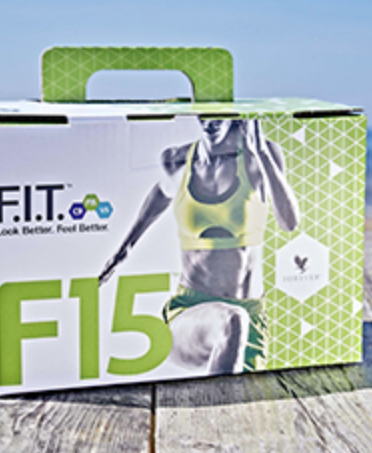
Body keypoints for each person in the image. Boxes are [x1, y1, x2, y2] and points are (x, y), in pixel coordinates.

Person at [99, 118, 299, 375]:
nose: (208, 121)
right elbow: (160, 194)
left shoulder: (261, 155)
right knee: (232, 321)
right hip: (190, 312)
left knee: (239, 334)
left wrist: (260, 152)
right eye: (202, 112)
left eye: (216, 113)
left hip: (251, 315)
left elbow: (289, 223)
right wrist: (122, 252)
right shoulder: (178, 161)